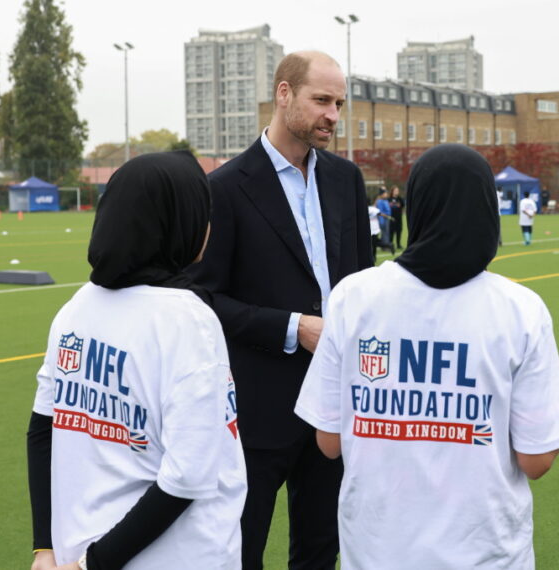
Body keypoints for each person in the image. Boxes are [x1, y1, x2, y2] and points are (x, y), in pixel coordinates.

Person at [294, 144, 559, 569]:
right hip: (485, 552)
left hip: (376, 551)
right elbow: (536, 461)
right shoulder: (520, 309)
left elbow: (329, 442)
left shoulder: (354, 296)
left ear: (417, 204)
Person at [187, 51, 373, 570]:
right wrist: (292, 328)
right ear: (283, 94)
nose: (333, 115)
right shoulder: (223, 188)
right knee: (241, 550)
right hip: (256, 409)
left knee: (320, 551)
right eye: (321, 100)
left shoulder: (345, 180)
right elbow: (202, 300)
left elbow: (361, 283)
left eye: (339, 103)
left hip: (334, 407)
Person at [28, 151, 246, 570]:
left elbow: (43, 428)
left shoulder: (76, 307)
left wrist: (46, 548)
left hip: (77, 548)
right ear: (176, 220)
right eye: (202, 212)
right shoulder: (187, 321)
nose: (208, 226)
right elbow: (186, 477)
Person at [376, 187, 394, 253]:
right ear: (381, 194)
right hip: (383, 219)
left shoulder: (386, 201)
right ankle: (385, 246)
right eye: (385, 193)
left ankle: (386, 245)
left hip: (387, 219)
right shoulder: (380, 201)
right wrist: (382, 220)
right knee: (384, 233)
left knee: (387, 233)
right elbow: (380, 212)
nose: (386, 194)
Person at [389, 185, 405, 250]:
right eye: (395, 191)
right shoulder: (389, 199)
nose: (396, 192)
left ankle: (398, 244)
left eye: (397, 191)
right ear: (392, 191)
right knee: (391, 232)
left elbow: (403, 206)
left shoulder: (400, 199)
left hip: (399, 218)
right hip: (391, 218)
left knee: (399, 231)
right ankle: (390, 245)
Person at [368, 197, 383, 262]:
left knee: (373, 244)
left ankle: (373, 257)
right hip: (373, 229)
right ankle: (373, 256)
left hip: (373, 230)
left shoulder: (372, 209)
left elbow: (379, 213)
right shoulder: (373, 209)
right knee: (373, 244)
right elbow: (379, 213)